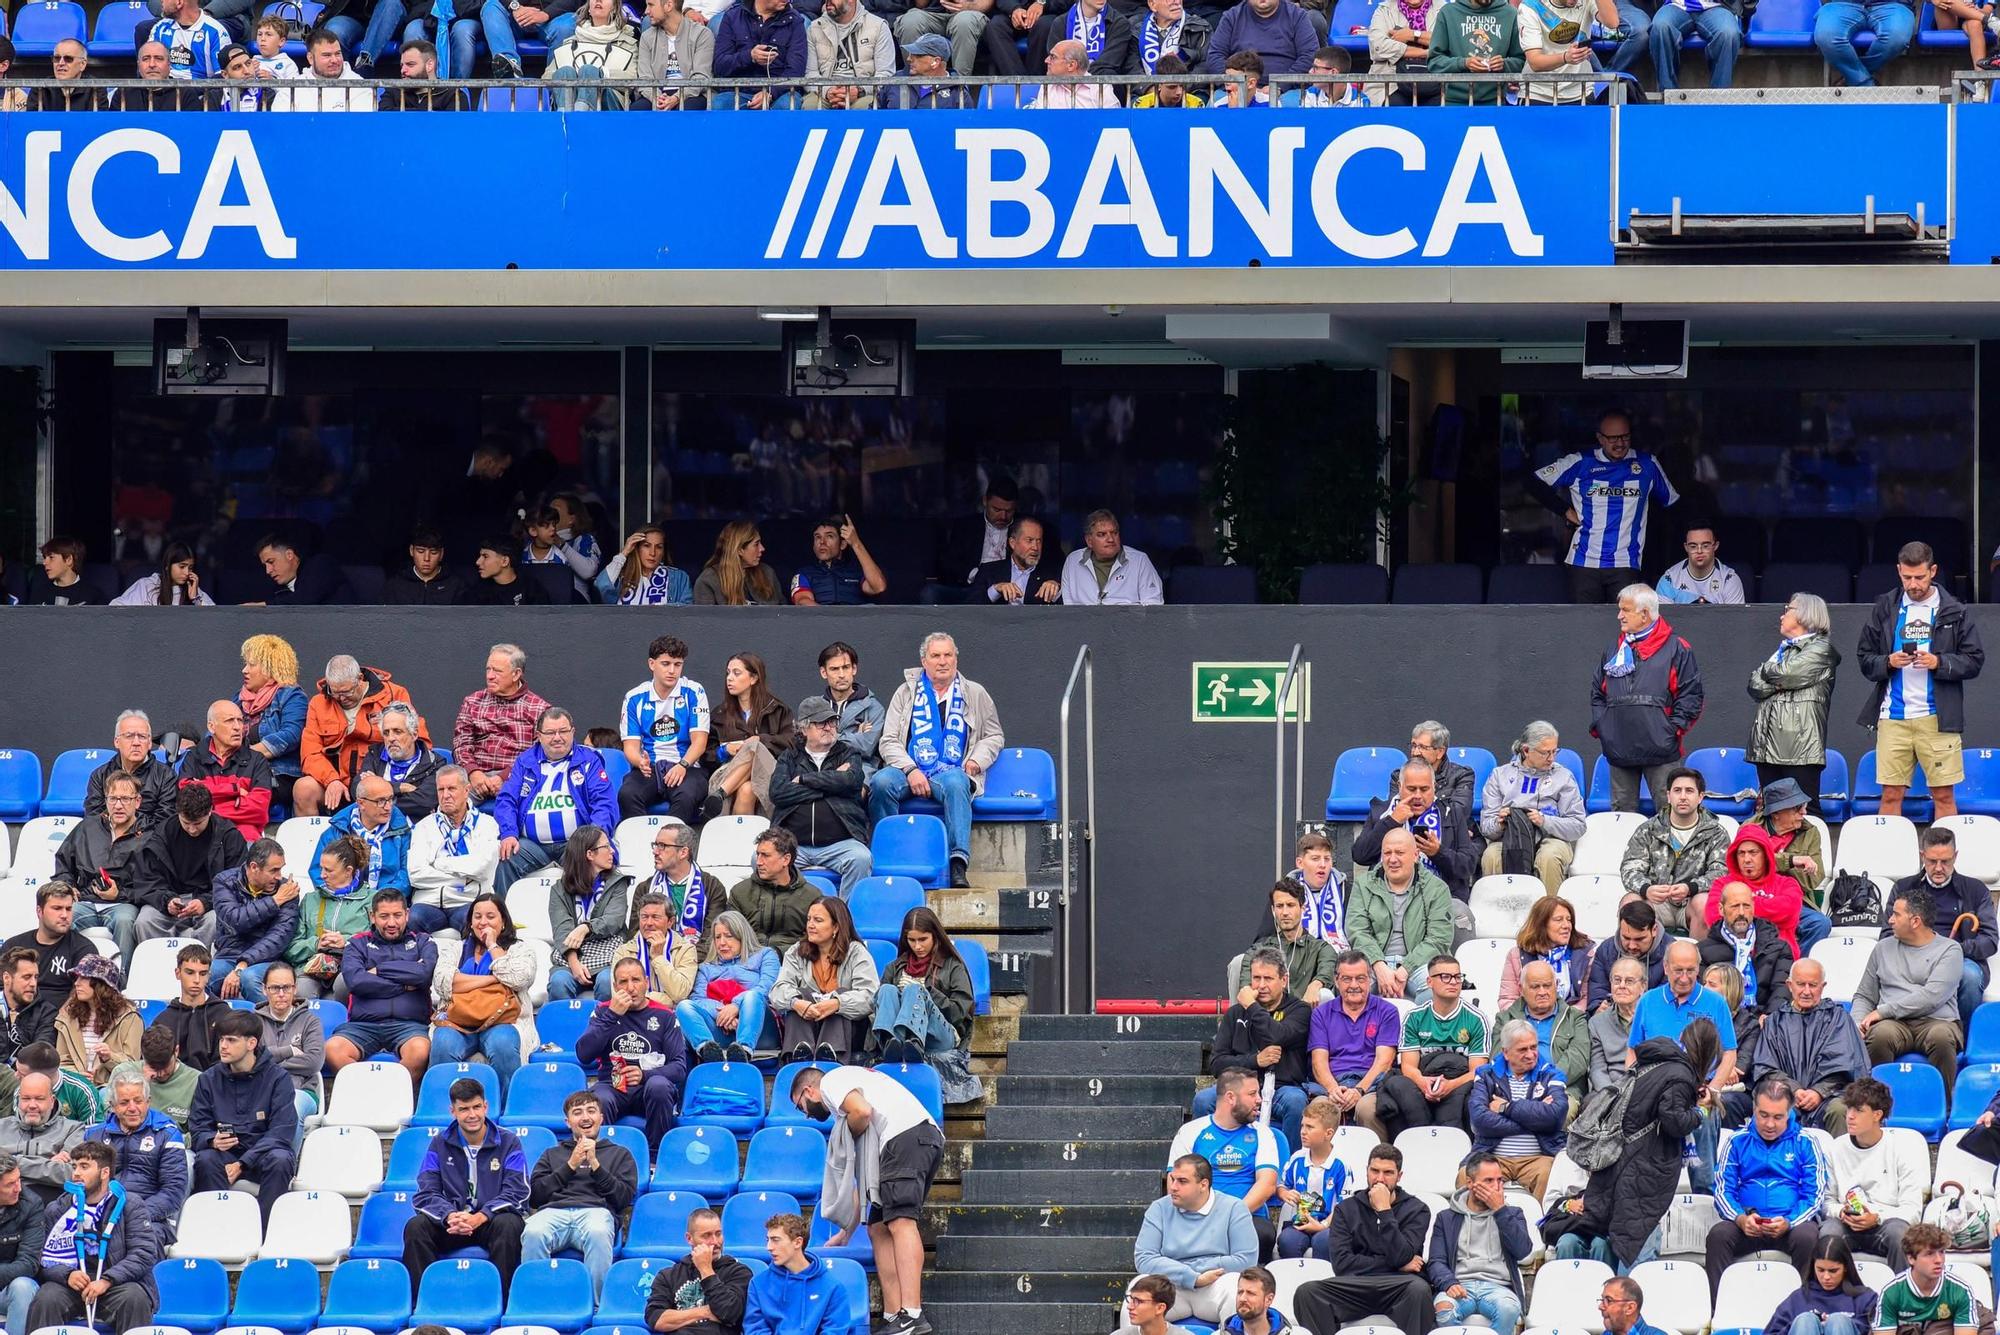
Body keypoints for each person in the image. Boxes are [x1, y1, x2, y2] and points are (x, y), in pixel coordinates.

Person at [790, 1063, 946, 1333]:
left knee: (900, 1222)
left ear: (809, 1090)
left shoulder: (832, 1082)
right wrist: (845, 1233)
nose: (805, 1115)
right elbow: (860, 1182)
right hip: (911, 1140)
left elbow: (862, 1111)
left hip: (905, 1138)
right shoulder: (856, 1081)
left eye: (800, 1105)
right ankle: (893, 1315)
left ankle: (912, 1314)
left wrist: (846, 1133)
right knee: (877, 1227)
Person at [1570, 1021, 1716, 1271]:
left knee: (1622, 1240)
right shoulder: (1681, 1076)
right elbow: (1674, 1121)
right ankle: (1630, 1301)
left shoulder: (1653, 1064)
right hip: (1643, 1170)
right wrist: (1700, 1111)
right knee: (1637, 1250)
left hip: (1622, 1161)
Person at [1859, 543, 1984, 820]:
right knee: (1891, 794)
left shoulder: (1955, 610)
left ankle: (1945, 863)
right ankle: (1887, 863)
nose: (1913, 584)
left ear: (1933, 571)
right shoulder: (1885, 607)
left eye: (1920, 577)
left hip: (1938, 717)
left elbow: (1974, 659)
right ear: (1898, 571)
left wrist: (1939, 662)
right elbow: (1865, 658)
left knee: (1943, 795)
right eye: (1906, 578)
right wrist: (1888, 662)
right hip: (1892, 715)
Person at [871, 633, 1005, 890]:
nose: (942, 661)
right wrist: (910, 769)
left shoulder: (974, 692)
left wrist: (977, 759)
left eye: (948, 655)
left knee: (957, 783)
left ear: (956, 658)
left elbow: (994, 735)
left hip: (951, 771)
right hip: (910, 769)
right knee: (881, 781)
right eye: (936, 656)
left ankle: (957, 863)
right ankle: (888, 852)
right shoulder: (906, 692)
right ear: (924, 661)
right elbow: (888, 741)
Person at [1532, 411, 1681, 604]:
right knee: (1584, 626)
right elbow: (1533, 482)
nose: (1619, 444)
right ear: (1600, 438)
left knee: (1626, 626)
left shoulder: (1647, 464)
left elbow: (1672, 505)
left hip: (1625, 563)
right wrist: (1564, 510)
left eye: (1625, 437)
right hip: (1583, 562)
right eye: (1612, 438)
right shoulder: (1580, 462)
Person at [1705, 1074, 1830, 1298]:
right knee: (1718, 1235)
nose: (1769, 1124)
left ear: (1789, 1113)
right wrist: (1740, 1218)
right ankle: (1718, 1307)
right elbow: (1723, 1190)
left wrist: (1790, 1222)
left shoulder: (1806, 1142)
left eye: (1777, 1117)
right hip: (1748, 1223)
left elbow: (1815, 1195)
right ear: (1754, 1108)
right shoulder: (1736, 1141)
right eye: (1763, 1115)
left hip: (1789, 1224)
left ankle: (1804, 1306)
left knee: (1808, 1236)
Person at [404, 1078, 528, 1301]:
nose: (472, 1115)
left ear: (486, 1107)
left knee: (510, 1224)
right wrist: (449, 1216)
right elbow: (425, 1193)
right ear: (453, 1111)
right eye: (464, 1109)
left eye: (476, 1107)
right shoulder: (439, 1143)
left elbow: (517, 1191)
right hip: (453, 1223)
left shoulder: (509, 1142)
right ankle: (424, 1302)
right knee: (416, 1227)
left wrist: (481, 1216)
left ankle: (502, 1302)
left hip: (489, 1221)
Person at [1290, 1143, 1434, 1335]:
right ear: (1366, 1171)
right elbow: (1342, 1265)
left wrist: (1384, 1211)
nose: (1379, 1179)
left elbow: (1402, 1254)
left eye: (1388, 1172)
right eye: (1374, 1171)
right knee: (1307, 1292)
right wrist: (1396, 1264)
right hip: (1354, 1286)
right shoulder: (1346, 1209)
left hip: (1398, 1285)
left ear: (1399, 1176)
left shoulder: (1417, 1209)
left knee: (1419, 1290)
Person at [25, 1141, 160, 1335]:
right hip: (71, 1285)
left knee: (134, 1297)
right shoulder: (58, 1208)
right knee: (46, 1298)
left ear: (105, 1173)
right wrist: (66, 1274)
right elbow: (40, 1258)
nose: (76, 1173)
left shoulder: (130, 1204)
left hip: (116, 1284)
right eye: (74, 1166)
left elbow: (144, 1253)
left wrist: (107, 1280)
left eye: (84, 1167)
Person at [1594, 588, 1704, 814]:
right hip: (1620, 747)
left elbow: (1691, 695)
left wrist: (1671, 730)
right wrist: (1605, 727)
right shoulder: (1614, 649)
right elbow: (1598, 693)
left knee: (1670, 813)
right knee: (1620, 817)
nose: (1619, 616)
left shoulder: (1677, 647)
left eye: (1625, 610)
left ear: (1644, 614)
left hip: (1661, 748)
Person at [522, 1090, 638, 1306]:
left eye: (591, 1111)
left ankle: (596, 1306)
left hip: (596, 1212)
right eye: (577, 1113)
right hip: (553, 1212)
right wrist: (570, 1166)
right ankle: (536, 1304)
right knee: (533, 1231)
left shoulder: (620, 1154)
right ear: (568, 1122)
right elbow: (535, 1197)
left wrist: (596, 1165)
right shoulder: (552, 1154)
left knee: (598, 1231)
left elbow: (623, 1198)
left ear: (601, 1118)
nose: (585, 1117)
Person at [188, 1009, 296, 1231]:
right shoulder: (208, 1079)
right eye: (221, 1040)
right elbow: (197, 1127)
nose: (223, 1046)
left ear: (251, 1043)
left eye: (231, 1040)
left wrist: (243, 1163)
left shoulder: (278, 1078)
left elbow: (281, 1132)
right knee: (206, 1159)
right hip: (224, 1153)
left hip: (262, 1153)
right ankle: (218, 1232)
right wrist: (212, 1140)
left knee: (281, 1159)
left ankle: (266, 1234)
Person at [1120, 1157, 1257, 1333]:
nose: (1173, 1187)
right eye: (1172, 1179)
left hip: (1215, 1284)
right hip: (1171, 1286)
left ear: (1203, 1184)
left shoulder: (1234, 1208)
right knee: (1137, 1291)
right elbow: (1144, 1258)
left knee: (1235, 1287)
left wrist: (1200, 1273)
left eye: (1182, 1181)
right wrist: (1192, 1277)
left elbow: (1245, 1260)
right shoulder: (1159, 1208)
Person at [1197, 949, 1311, 1151]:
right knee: (1204, 1099)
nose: (1261, 985)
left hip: (1281, 1089)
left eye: (1268, 978)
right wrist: (1255, 1061)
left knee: (1296, 1101)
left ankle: (1289, 1169)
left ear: (1284, 980)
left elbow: (1277, 1035)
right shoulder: (1236, 1013)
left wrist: (1251, 1005)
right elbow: (1216, 1064)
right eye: (1256, 978)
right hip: (1239, 1088)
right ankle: (1205, 1164)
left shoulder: (1299, 1010)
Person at [496, 709, 618, 896]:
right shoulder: (525, 762)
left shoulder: (589, 760)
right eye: (551, 733)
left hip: (574, 842)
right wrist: (509, 833)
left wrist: (594, 837)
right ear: (539, 736)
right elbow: (506, 800)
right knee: (508, 857)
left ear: (573, 731)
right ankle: (503, 920)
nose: (557, 738)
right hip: (532, 845)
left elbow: (604, 802)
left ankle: (592, 921)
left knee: (595, 858)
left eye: (563, 731)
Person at [1855, 884, 1965, 1092]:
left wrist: (1883, 1011)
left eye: (1896, 915)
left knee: (1941, 1037)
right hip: (1894, 1024)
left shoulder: (1950, 950)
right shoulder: (1882, 948)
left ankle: (1944, 1107)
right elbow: (1864, 995)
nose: (1890, 920)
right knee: (1879, 1036)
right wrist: (1856, 1022)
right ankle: (1876, 1105)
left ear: (1915, 921)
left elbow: (1932, 997)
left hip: (1937, 1020)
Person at [324, 890, 437, 1088]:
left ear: (407, 914)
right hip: (362, 1026)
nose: (391, 923)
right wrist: (404, 983)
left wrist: (378, 971)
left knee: (420, 1051)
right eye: (384, 916)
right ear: (372, 916)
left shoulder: (423, 941)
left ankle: (391, 1097)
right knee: (332, 1049)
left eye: (397, 915)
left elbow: (423, 975)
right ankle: (370, 1092)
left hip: (409, 1026)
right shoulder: (358, 943)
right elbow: (356, 981)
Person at [577, 957, 690, 1149]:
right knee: (598, 1099)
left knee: (659, 1087)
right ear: (615, 985)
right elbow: (584, 1054)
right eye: (623, 982)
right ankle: (602, 1159)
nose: (630, 988)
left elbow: (679, 1068)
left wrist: (644, 1075)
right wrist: (612, 1015)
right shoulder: (603, 1011)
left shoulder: (664, 1015)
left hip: (649, 1088)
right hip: (611, 1086)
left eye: (636, 980)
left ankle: (655, 1159)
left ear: (646, 982)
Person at [1169, 1068, 1282, 1259]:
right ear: (1230, 1097)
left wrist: (1230, 1217)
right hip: (1199, 1215)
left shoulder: (1263, 1133)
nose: (1259, 1100)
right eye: (1252, 1094)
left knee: (1262, 1233)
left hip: (1248, 1217)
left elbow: (1267, 1185)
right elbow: (1175, 1184)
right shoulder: (1190, 1132)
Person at [428, 893, 533, 1097]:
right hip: (458, 1019)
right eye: (477, 916)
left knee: (503, 1045)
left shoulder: (519, 949)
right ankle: (442, 1111)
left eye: (490, 916)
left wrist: (493, 945)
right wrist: (493, 980)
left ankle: (506, 1109)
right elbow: (444, 982)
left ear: (503, 921)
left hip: (503, 1020)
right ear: (470, 921)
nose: (483, 922)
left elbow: (518, 978)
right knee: (443, 1043)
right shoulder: (455, 949)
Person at [1890, 827, 1996, 1025]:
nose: (1939, 868)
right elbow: (1887, 935)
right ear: (1922, 856)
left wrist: (1953, 950)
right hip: (1912, 958)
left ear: (1955, 857)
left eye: (1945, 861)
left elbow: (1990, 941)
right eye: (1932, 861)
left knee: (1971, 976)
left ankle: (1961, 1040)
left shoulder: (1975, 890)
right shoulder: (1904, 888)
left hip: (1961, 959)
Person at [872, 907, 979, 1105]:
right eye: (912, 940)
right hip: (898, 1037)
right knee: (886, 990)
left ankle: (914, 1044)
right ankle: (891, 1045)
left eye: (923, 939)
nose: (917, 946)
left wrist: (927, 993)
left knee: (914, 990)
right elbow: (880, 1007)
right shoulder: (894, 968)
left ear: (935, 936)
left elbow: (960, 1013)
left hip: (942, 1034)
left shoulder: (953, 966)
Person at [1749, 958, 1867, 1133]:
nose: (1806, 991)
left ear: (1823, 986)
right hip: (1785, 1095)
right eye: (1800, 984)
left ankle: (1838, 1161)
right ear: (1789, 985)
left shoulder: (1838, 1019)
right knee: (1771, 1109)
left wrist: (1818, 1092)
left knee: (1839, 1109)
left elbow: (1844, 1067)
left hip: (1830, 1096)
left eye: (1812, 985)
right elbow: (1766, 1068)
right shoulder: (1774, 1022)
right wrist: (1794, 1090)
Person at [770, 697, 873, 897]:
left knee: (861, 858)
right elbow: (778, 792)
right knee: (759, 859)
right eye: (821, 723)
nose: (829, 727)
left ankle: (845, 920)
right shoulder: (790, 756)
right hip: (794, 845)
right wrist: (832, 782)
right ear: (804, 728)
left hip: (840, 844)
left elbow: (852, 781)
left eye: (832, 722)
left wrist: (805, 779)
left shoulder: (848, 753)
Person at [296, 655, 422, 818]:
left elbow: (417, 739)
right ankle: (315, 842)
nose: (342, 698)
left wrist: (390, 784)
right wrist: (331, 780)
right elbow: (310, 753)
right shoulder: (318, 704)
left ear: (360, 679)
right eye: (335, 693)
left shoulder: (394, 694)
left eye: (347, 692)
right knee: (303, 788)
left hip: (380, 780)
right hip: (337, 785)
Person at [1377, 954, 1487, 1136]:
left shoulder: (1476, 1019)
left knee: (1473, 1099)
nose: (1453, 982)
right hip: (1423, 1082)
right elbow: (1408, 1066)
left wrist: (1449, 1086)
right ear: (1429, 982)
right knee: (1398, 1089)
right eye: (1445, 976)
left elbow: (1477, 1071)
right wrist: (1424, 1084)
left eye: (1458, 977)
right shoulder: (1414, 1017)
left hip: (1458, 1083)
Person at [1815, 1075, 1921, 1266]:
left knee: (1900, 1233)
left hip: (1886, 1224)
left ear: (1877, 1115)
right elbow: (1826, 1202)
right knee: (1828, 1232)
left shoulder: (1902, 1149)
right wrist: (1842, 1212)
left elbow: (1912, 1210)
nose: (1850, 1116)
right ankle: (1828, 1296)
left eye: (1858, 1110)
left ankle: (1903, 1293)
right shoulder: (1835, 1148)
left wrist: (1876, 1217)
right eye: (1849, 1109)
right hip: (1846, 1224)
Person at [1748, 595, 1840, 811]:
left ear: (1805, 614)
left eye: (1787, 609)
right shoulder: (1784, 649)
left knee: (1805, 812)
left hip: (1800, 748)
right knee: (1772, 813)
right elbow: (1755, 686)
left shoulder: (1821, 649)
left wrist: (1768, 673)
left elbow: (1787, 674)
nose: (1782, 614)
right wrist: (1776, 680)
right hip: (1767, 746)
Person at [1427, 1152, 1532, 1335]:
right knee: (1444, 1309)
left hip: (1498, 1286)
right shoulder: (1446, 1218)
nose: (1496, 1187)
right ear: (1470, 1183)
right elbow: (1436, 1261)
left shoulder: (1512, 1214)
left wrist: (1500, 1210)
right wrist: (1449, 1283)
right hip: (1459, 1284)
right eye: (1488, 1181)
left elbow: (1523, 1251)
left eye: (1499, 1180)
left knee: (1508, 1310)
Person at [1478, 722, 1587, 896]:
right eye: (1545, 753)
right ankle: (1499, 913)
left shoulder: (1564, 777)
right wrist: (1500, 823)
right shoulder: (1500, 776)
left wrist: (1545, 821)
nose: (1551, 758)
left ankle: (1550, 916)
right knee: (1492, 856)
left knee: (1548, 858)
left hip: (1552, 839)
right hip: (1510, 838)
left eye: (1554, 751)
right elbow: (1486, 827)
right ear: (1526, 750)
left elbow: (1578, 825)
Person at [1349, 829, 1454, 1006]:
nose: (1392, 859)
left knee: (1437, 991)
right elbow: (1357, 931)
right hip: (1373, 961)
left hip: (1420, 963)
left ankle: (1420, 1033)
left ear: (1415, 855)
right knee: (1351, 989)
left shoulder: (1436, 888)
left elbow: (1438, 939)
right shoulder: (1363, 884)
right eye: (1387, 853)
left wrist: (1406, 968)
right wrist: (1379, 964)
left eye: (1399, 853)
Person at [1619, 767, 1729, 935]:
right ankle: (1632, 960)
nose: (1683, 797)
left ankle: (1701, 960)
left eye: (1689, 791)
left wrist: (1690, 888)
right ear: (1669, 796)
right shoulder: (1648, 829)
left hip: (1691, 902)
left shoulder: (1716, 833)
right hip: (1655, 902)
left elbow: (1721, 872)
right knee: (1630, 902)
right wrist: (1646, 889)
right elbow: (1630, 869)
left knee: (1705, 902)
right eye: (1677, 791)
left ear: (1700, 797)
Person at [83, 1069, 184, 1250]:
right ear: (113, 1105)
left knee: (141, 1238)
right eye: (124, 1102)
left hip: (149, 1218)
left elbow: (173, 1191)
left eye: (138, 1101)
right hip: (101, 1214)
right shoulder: (94, 1135)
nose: (132, 1108)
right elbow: (84, 1182)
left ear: (148, 1102)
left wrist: (132, 1214)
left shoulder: (167, 1133)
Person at [1468, 1020, 1567, 1202]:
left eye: (1533, 1047)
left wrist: (1506, 1107)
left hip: (1538, 1158)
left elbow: (1555, 1117)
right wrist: (1535, 1119)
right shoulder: (1486, 1074)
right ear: (1505, 1053)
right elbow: (1479, 1121)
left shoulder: (1551, 1074)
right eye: (1523, 1050)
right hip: (1493, 1157)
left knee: (1551, 1174)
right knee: (1465, 1176)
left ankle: (1541, 1229)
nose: (1531, 1055)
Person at [771, 897, 878, 1065]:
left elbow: (870, 996)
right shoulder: (796, 952)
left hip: (850, 1030)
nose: (810, 925)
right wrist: (796, 1003)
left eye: (818, 920)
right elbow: (777, 991)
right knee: (800, 996)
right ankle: (800, 1056)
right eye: (809, 919)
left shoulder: (856, 952)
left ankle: (830, 1058)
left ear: (836, 926)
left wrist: (837, 1003)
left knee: (840, 995)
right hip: (810, 1025)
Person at [1352, 761, 1477, 901]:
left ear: (1434, 788)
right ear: (1400, 787)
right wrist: (1392, 821)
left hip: (1439, 899)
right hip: (1386, 900)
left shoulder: (1451, 814)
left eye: (1424, 789)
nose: (1418, 795)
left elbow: (1467, 866)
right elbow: (1360, 856)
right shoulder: (1382, 813)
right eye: (1411, 789)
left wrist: (1438, 853)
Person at [618, 636, 712, 824]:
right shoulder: (634, 697)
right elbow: (630, 746)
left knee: (685, 796)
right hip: (650, 767)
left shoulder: (694, 691)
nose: (672, 671)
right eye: (666, 663)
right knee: (627, 794)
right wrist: (640, 762)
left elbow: (700, 742)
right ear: (652, 664)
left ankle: (671, 847)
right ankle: (643, 845)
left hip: (687, 766)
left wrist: (682, 765)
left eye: (678, 665)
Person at [54, 775, 145, 966]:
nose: (118, 805)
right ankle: (63, 974)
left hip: (123, 904)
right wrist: (68, 886)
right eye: (113, 799)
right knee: (59, 915)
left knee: (125, 921)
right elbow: (63, 861)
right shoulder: (88, 827)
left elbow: (152, 884)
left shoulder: (149, 834)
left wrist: (120, 894)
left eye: (125, 799)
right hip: (86, 900)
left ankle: (120, 981)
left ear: (137, 801)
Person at [1307, 951, 1398, 1139]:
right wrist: (1333, 1089)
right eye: (1347, 979)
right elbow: (1319, 1063)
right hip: (1332, 1084)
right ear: (1336, 980)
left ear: (1370, 980)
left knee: (1367, 1110)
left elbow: (1384, 1062)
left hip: (1371, 1085)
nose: (1354, 985)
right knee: (1319, 1111)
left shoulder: (1387, 1011)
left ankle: (1379, 1164)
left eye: (1360, 978)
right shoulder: (1321, 1014)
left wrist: (1358, 1090)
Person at [1628, 940, 1741, 1085]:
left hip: (1701, 1087)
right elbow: (1632, 1050)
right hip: (1654, 1087)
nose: (1684, 978)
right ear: (1666, 967)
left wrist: (1713, 1089)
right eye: (1678, 971)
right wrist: (1634, 1086)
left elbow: (1729, 1053)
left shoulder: (1717, 1003)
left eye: (1690, 970)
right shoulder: (1648, 1000)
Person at [453, 644, 551, 811]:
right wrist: (473, 772)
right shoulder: (473, 701)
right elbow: (461, 743)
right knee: (450, 803)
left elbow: (539, 753)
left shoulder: (539, 709)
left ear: (516, 674)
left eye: (497, 671)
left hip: (518, 777)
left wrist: (505, 776)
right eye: (488, 669)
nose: (490, 676)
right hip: (476, 776)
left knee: (517, 811)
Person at [677, 910, 778, 1067]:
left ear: (742, 935)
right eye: (718, 937)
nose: (722, 942)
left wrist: (736, 1006)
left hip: (760, 1030)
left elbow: (767, 988)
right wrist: (724, 1012)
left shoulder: (765, 955)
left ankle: (743, 1051)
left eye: (728, 936)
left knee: (752, 996)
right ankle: (708, 1051)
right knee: (684, 1006)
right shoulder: (706, 968)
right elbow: (698, 1000)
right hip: (721, 1029)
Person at [407, 766, 499, 936]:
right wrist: (462, 880)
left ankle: (471, 962)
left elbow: (483, 869)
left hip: (469, 901)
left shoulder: (487, 824)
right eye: (441, 789)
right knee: (412, 918)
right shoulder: (423, 827)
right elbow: (416, 874)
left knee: (478, 922)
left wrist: (438, 863)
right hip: (429, 902)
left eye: (451, 789)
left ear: (466, 790)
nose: (445, 795)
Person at [548, 826, 635, 1004]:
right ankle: (568, 1031)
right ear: (590, 854)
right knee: (559, 983)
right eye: (606, 846)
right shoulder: (559, 889)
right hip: (571, 955)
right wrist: (573, 963)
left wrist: (585, 928)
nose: (612, 851)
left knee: (606, 982)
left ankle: (605, 1029)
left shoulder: (617, 883)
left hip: (608, 952)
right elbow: (561, 929)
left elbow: (614, 920)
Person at [208, 837, 300, 1006]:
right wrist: (274, 901)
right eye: (273, 870)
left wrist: (243, 965)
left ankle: (274, 1026)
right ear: (254, 867)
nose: (279, 877)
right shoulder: (224, 882)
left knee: (249, 978)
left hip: (268, 960)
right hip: (229, 955)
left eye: (281, 869)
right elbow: (235, 920)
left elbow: (279, 937)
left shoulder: (287, 890)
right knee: (203, 976)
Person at [284, 835, 374, 1002]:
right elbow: (290, 948)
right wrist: (316, 943)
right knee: (301, 993)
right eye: (321, 869)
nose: (322, 875)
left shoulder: (371, 900)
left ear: (348, 870)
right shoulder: (310, 900)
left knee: (345, 985)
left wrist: (346, 942)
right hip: (312, 968)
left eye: (329, 870)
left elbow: (379, 944)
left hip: (352, 967)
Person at [742, 1212, 863, 1335]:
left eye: (775, 1240)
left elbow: (834, 1330)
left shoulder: (833, 1287)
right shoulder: (758, 1284)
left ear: (797, 1242)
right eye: (768, 1240)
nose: (769, 1247)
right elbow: (755, 1329)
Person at [1701, 824, 1808, 959]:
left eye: (1753, 853)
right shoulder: (1722, 884)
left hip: (1778, 958)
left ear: (1766, 855)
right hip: (1731, 957)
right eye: (1741, 853)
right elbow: (1713, 918)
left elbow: (1790, 914)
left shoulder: (1787, 884)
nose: (1747, 859)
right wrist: (1769, 908)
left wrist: (1736, 908)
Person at [709, 654, 793, 822]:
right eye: (728, 673)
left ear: (754, 678)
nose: (729, 678)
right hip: (727, 771)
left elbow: (791, 743)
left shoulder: (777, 709)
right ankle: (741, 843)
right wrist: (724, 750)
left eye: (736, 673)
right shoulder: (720, 714)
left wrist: (759, 740)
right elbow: (706, 754)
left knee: (755, 745)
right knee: (747, 788)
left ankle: (720, 795)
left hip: (768, 772)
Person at [178, 700, 275, 842]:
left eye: (240, 721)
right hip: (201, 836)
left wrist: (208, 808)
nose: (237, 727)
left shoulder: (257, 760)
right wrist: (233, 790)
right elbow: (186, 800)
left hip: (243, 839)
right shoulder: (194, 757)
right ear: (211, 727)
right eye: (230, 721)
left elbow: (259, 810)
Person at [645, 1204, 752, 1332]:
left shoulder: (739, 1272)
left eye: (718, 1234)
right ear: (689, 1239)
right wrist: (706, 1311)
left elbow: (729, 1312)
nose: (715, 1242)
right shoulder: (668, 1275)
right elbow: (656, 1319)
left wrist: (706, 1269)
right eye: (706, 1236)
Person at [1749, 778, 1830, 943]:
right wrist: (1791, 861)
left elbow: (1813, 879)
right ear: (1776, 813)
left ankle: (1796, 966)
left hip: (1794, 901)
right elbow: (1749, 867)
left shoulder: (1810, 832)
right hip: (1756, 899)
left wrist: (1771, 864)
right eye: (1796, 808)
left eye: (1804, 806)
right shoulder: (1751, 829)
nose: (1804, 812)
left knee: (1820, 924)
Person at [238, 634, 310, 816]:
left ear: (271, 668)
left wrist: (246, 755)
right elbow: (216, 730)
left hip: (278, 774)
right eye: (245, 664)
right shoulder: (239, 699)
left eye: (251, 664)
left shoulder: (291, 696)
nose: (244, 670)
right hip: (241, 769)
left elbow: (291, 735)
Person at [1237, 881, 1336, 1007]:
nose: (1285, 912)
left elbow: (1329, 966)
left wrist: (1316, 984)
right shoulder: (1259, 949)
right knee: (1237, 962)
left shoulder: (1319, 948)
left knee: (1324, 993)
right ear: (1273, 910)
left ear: (1302, 908)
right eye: (1279, 906)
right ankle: (1239, 1024)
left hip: (1304, 1017)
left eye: (1290, 905)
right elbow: (1246, 986)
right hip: (1266, 1018)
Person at [1493, 961, 1588, 1091]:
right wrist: (1525, 1084)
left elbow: (1578, 1060)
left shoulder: (1575, 1017)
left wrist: (1545, 1082)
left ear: (1556, 985)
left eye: (1547, 985)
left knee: (1557, 1110)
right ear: (1521, 989)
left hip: (1561, 1088)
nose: (1542, 992)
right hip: (1514, 1088)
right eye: (1535, 987)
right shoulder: (1505, 1019)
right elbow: (1498, 1058)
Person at [1, 887, 97, 1014]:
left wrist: (58, 1022)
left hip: (59, 1022)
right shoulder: (14, 946)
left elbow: (81, 997)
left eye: (68, 909)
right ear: (39, 911)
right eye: (57, 908)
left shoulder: (84, 949)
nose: (64, 915)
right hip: (16, 1020)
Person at [252, 961, 324, 1130]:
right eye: (275, 988)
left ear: (295, 988)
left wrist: (268, 1061)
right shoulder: (253, 1022)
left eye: (287, 987)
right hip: (260, 1090)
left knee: (292, 1109)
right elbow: (250, 1061)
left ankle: (286, 1157)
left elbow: (314, 1062)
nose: (282, 993)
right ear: (264, 989)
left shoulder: (310, 1021)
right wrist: (289, 1051)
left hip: (302, 1090)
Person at [52, 958, 140, 1090]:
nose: (76, 983)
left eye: (83, 978)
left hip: (112, 1088)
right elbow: (61, 1061)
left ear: (101, 984)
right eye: (77, 978)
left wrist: (109, 1057)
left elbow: (133, 1068)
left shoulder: (129, 1018)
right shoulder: (68, 1016)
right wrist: (77, 1077)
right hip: (73, 1086)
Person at [82, 712, 178, 832]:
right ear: (116, 742)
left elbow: (165, 820)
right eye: (129, 736)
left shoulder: (166, 776)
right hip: (108, 841)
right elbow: (93, 818)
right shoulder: (100, 775)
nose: (136, 743)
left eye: (142, 737)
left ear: (149, 743)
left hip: (148, 842)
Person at [729, 830, 819, 956]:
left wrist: (778, 953)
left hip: (792, 963)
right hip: (747, 961)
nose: (759, 862)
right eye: (758, 854)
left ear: (786, 859)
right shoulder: (740, 892)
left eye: (765, 855)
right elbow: (730, 935)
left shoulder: (811, 896)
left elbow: (815, 941)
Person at [1275, 1100, 1343, 1262]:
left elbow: (1344, 1205)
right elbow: (1281, 1186)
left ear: (1328, 1133)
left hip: (1328, 1225)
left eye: (1310, 1127)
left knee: (1325, 1241)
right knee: (1287, 1241)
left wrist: (1324, 1225)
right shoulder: (1297, 1158)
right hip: (1301, 1221)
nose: (1303, 1132)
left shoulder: (1340, 1164)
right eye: (1302, 1126)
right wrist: (1284, 1193)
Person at [1880, 1224, 1977, 1335]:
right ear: (1911, 1258)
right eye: (1929, 1254)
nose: (1939, 1260)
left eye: (1941, 1252)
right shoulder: (1891, 1292)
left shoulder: (1960, 1290)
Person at [1499, 896, 1592, 1010]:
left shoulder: (1585, 954)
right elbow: (1507, 999)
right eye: (1558, 920)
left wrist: (1567, 1018)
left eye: (1569, 920)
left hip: (1572, 1022)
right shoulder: (1516, 956)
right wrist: (1528, 1021)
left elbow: (1587, 998)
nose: (1566, 925)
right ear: (1541, 924)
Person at [613, 893, 698, 1009]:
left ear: (670, 922)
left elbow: (680, 994)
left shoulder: (685, 949)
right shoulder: (624, 951)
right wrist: (668, 1001)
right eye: (644, 917)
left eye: (655, 917)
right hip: (633, 1016)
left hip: (671, 1018)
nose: (649, 923)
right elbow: (620, 996)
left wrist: (658, 958)